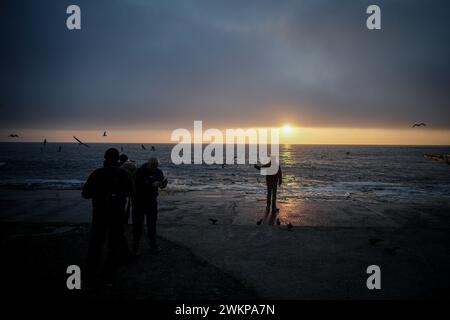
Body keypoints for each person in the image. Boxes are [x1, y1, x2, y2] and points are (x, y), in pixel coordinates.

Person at [82, 148, 135, 287]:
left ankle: (90, 277)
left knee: (96, 245)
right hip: (117, 215)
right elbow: (132, 193)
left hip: (99, 214)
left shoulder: (97, 173)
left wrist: (99, 193)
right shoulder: (125, 174)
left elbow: (85, 194)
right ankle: (108, 279)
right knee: (114, 247)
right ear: (118, 159)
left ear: (105, 158)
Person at [133, 157, 167, 254]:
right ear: (148, 164)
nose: (154, 168)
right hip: (138, 202)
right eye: (153, 166)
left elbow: (160, 184)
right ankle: (136, 247)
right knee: (137, 225)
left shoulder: (158, 172)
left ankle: (153, 244)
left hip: (151, 202)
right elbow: (137, 184)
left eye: (156, 166)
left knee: (152, 225)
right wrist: (150, 183)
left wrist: (162, 185)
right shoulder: (139, 171)